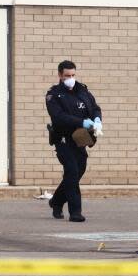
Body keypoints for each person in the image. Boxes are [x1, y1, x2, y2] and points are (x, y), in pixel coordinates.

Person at [45, 60, 102, 222]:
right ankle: (75, 212)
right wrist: (81, 122)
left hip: (80, 138)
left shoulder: (82, 90)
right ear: (60, 75)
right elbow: (58, 117)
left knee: (80, 170)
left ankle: (56, 201)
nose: (70, 78)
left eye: (73, 75)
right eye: (67, 75)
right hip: (63, 139)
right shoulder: (54, 94)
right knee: (71, 171)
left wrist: (97, 119)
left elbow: (95, 107)